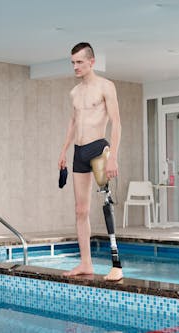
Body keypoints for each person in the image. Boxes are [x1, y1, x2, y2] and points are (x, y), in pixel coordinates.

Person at [58, 42, 123, 281]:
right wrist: (64, 151)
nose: (75, 66)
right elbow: (73, 123)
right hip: (79, 151)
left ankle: (117, 265)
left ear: (91, 62)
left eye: (79, 62)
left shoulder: (106, 86)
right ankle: (86, 263)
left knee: (106, 203)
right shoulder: (74, 93)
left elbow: (117, 122)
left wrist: (113, 156)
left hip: (98, 148)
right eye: (72, 62)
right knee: (80, 209)